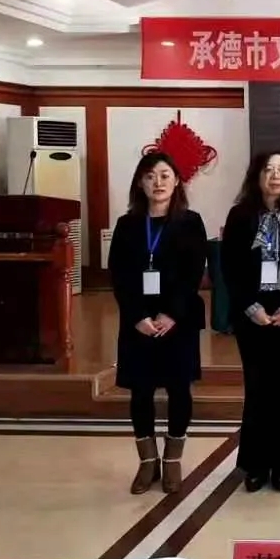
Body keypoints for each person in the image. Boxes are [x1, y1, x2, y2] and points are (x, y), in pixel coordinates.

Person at [108, 151, 208, 495]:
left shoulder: (190, 222)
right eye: (150, 176)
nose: (158, 182)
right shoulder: (127, 224)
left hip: (178, 321)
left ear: (177, 181)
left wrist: (171, 314)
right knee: (141, 391)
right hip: (138, 321)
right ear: (141, 182)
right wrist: (137, 316)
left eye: (165, 175)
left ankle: (173, 459)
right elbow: (119, 275)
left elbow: (193, 273)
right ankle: (147, 461)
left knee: (179, 390)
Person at [221, 151, 280, 493]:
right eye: (269, 170)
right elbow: (230, 268)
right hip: (253, 314)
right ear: (257, 175)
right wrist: (250, 307)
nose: (276, 176)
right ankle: (255, 462)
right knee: (257, 387)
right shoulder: (240, 215)